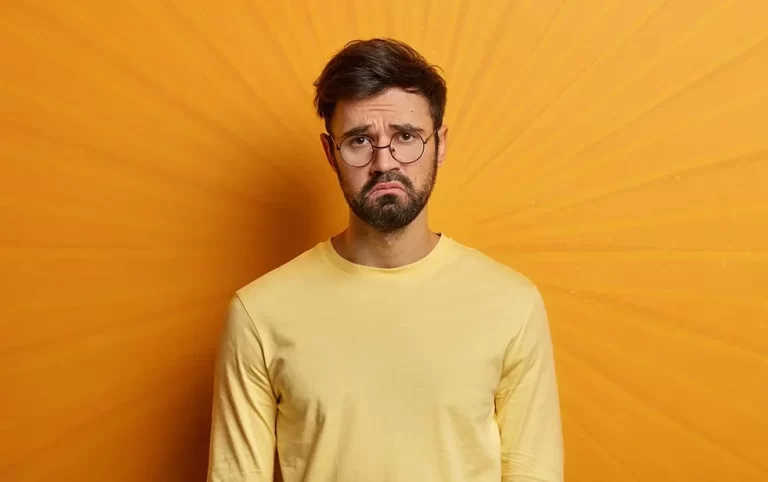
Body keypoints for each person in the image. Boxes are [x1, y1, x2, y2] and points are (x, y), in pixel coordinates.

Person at [206, 38, 564, 482]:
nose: (384, 162)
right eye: (359, 140)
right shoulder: (259, 313)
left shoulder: (512, 304)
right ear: (329, 153)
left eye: (406, 136)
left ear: (441, 144)